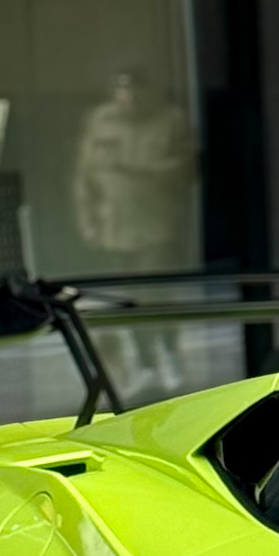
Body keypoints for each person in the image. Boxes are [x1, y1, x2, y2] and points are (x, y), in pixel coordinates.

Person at [72, 68, 196, 394]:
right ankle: (145, 363)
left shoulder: (170, 120)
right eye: (121, 90)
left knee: (158, 296)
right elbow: (85, 177)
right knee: (125, 300)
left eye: (134, 90)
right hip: (114, 227)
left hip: (155, 224)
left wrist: (135, 171)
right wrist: (88, 220)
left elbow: (185, 169)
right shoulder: (101, 121)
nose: (127, 97)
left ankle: (169, 353)